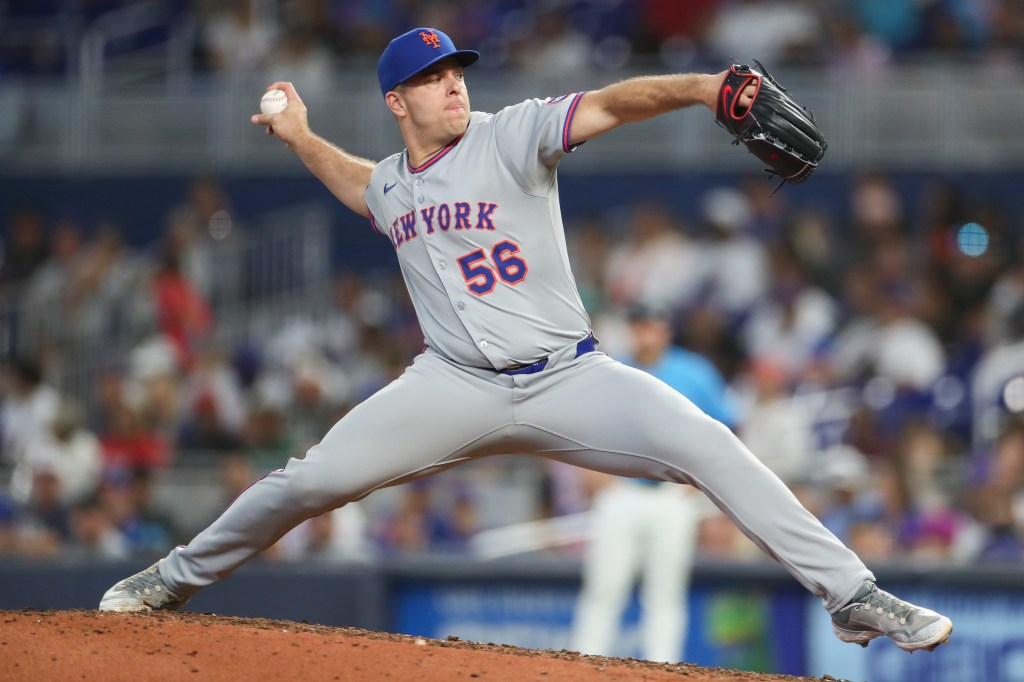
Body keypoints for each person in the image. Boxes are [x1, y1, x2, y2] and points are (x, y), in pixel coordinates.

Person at [100, 26, 953, 654]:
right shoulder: (394, 185)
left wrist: (701, 87)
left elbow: (613, 102)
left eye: (455, 71)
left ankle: (852, 595)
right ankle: (171, 578)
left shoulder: (512, 134)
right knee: (310, 480)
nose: (452, 86)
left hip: (570, 379)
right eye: (431, 79)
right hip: (453, 384)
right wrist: (299, 137)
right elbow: (359, 183)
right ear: (397, 102)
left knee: (709, 444)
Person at [571, 302, 737, 662]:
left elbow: (728, 426)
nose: (648, 335)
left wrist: (699, 483)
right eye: (641, 327)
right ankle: (583, 666)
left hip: (673, 494)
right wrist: (591, 474)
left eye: (654, 327)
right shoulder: (610, 370)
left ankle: (663, 668)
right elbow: (580, 425)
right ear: (632, 331)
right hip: (621, 490)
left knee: (665, 593)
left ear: (667, 331)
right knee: (604, 588)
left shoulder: (694, 372)